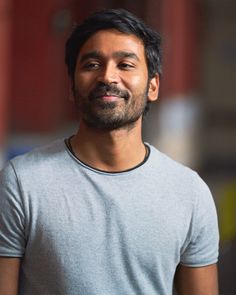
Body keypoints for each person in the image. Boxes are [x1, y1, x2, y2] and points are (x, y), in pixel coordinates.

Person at [0, 8, 219, 295]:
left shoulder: (189, 192)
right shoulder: (22, 182)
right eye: (91, 64)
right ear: (71, 85)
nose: (107, 77)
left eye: (125, 65)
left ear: (153, 86)